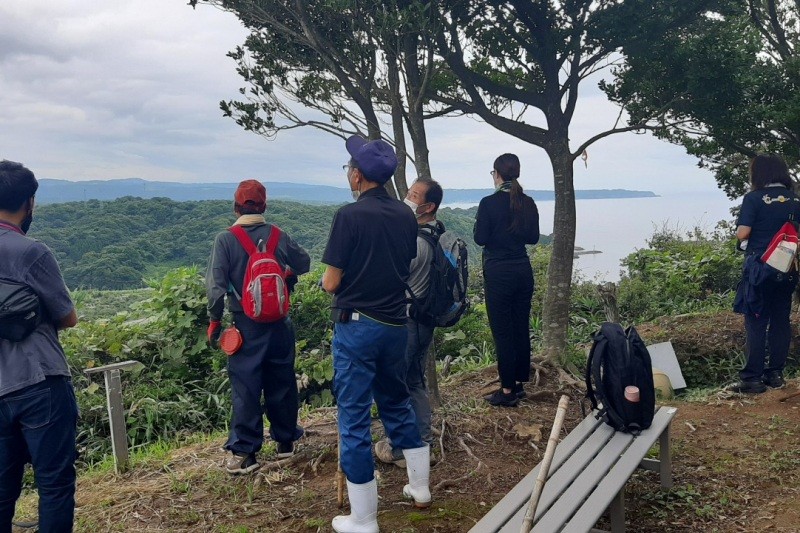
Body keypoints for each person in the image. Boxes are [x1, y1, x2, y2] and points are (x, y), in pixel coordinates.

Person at [322, 135, 432, 532]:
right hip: (395, 326)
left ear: (357, 175)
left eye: (349, 169)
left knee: (352, 418)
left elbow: (331, 282)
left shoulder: (348, 217)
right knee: (396, 402)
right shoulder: (406, 216)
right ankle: (419, 489)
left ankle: (364, 519)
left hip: (357, 327)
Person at [206, 179, 310, 474]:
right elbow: (304, 263)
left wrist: (215, 322)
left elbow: (215, 289)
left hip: (245, 325)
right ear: (264, 206)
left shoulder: (225, 239)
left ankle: (244, 452)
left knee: (246, 387)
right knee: (282, 381)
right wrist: (284, 269)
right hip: (280, 324)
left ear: (235, 207)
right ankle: (286, 443)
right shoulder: (278, 235)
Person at [0, 160, 79, 532]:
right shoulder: (31, 252)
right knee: (55, 485)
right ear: (29, 203)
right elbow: (68, 316)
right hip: (39, 381)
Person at [374, 179, 444, 468]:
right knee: (415, 381)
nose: (407, 198)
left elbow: (390, 277)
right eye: (408, 193)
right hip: (423, 319)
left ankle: (402, 448)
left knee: (398, 383)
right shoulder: (435, 233)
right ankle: (423, 440)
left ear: (429, 206)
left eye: (414, 196)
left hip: (409, 321)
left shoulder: (416, 242)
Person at [474, 153, 540, 407]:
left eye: (493, 173)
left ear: (498, 174)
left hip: (499, 272)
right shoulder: (528, 202)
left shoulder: (488, 203)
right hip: (523, 270)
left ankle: (507, 390)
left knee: (503, 332)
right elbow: (533, 237)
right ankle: (519, 383)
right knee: (520, 327)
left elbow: (480, 238)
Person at [731, 154, 800, 393]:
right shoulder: (795, 200)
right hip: (787, 267)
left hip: (760, 268)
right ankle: (775, 375)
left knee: (757, 320)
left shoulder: (754, 199)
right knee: (781, 320)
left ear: (759, 174)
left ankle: (752, 379)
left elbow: (742, 233)